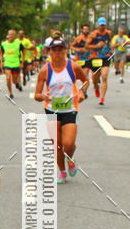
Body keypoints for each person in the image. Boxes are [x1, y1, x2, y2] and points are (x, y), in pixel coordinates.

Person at [34, 33, 89, 184]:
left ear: (65, 50)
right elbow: (36, 95)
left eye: (60, 49)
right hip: (51, 110)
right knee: (57, 145)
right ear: (49, 52)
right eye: (54, 49)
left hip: (70, 109)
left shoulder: (73, 66)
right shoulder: (45, 71)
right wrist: (43, 96)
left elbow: (85, 81)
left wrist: (83, 92)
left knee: (68, 143)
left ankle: (70, 159)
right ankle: (62, 171)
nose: (57, 52)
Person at [86, 16, 112, 105]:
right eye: (101, 25)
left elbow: (110, 43)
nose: (102, 27)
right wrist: (96, 46)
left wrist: (110, 50)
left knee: (104, 76)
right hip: (96, 58)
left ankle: (102, 98)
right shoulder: (94, 34)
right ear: (98, 25)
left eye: (104, 25)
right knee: (95, 78)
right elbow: (87, 45)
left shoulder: (108, 33)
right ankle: (96, 86)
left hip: (105, 58)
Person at [70, 24, 93, 98]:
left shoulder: (91, 38)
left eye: (87, 29)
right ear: (82, 30)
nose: (86, 30)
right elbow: (71, 46)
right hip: (79, 60)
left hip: (87, 59)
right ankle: (75, 90)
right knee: (77, 76)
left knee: (85, 75)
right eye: (84, 29)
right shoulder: (78, 38)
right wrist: (78, 49)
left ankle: (83, 91)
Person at [1, 29, 23, 98]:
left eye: (13, 34)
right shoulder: (4, 44)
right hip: (7, 63)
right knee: (8, 78)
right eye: (10, 34)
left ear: (15, 36)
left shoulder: (18, 43)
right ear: (8, 35)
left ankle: (16, 83)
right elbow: (1, 53)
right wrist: (2, 61)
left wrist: (22, 61)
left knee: (14, 80)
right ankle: (10, 93)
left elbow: (23, 52)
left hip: (16, 63)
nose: (11, 36)